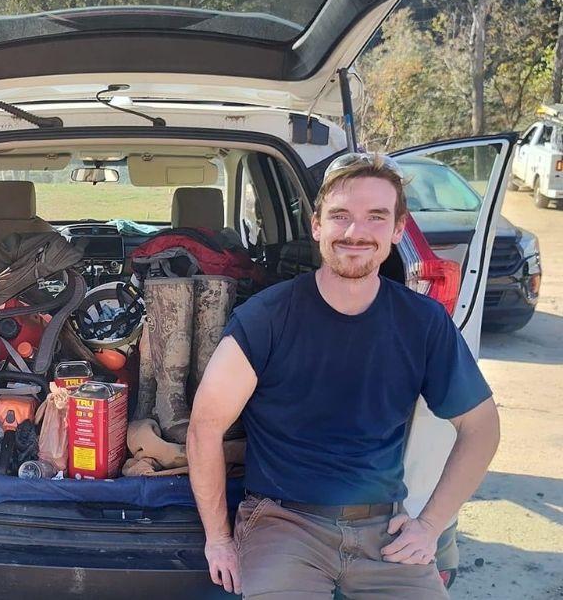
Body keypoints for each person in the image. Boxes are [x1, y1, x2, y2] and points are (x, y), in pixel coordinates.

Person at [186, 153, 500, 598]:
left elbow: (481, 427)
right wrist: (218, 540)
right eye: (341, 216)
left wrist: (429, 525)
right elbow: (205, 426)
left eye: (376, 217)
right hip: (283, 526)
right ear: (317, 226)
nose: (356, 232)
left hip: (384, 531)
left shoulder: (423, 322)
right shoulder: (265, 318)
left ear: (396, 229)